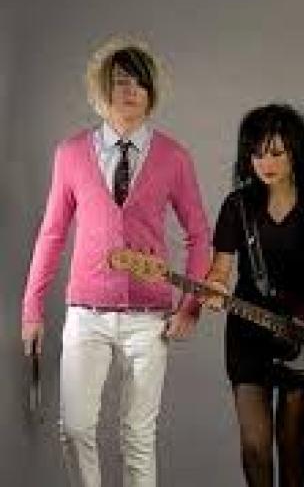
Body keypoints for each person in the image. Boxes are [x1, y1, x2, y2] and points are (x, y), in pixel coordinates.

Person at [20, 37, 211, 487]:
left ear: (151, 93)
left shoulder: (174, 157)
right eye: (121, 81)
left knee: (138, 438)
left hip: (150, 319)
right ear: (102, 89)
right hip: (86, 314)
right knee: (75, 428)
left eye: (139, 83)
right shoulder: (70, 155)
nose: (130, 90)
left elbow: (200, 235)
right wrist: (31, 308)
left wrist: (190, 306)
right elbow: (52, 233)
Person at [203, 104, 304, 487]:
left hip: (301, 329)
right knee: (255, 446)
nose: (266, 163)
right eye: (258, 154)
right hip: (247, 333)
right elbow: (220, 270)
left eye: (276, 152)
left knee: (291, 442)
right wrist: (214, 289)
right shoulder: (237, 205)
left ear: (297, 153)